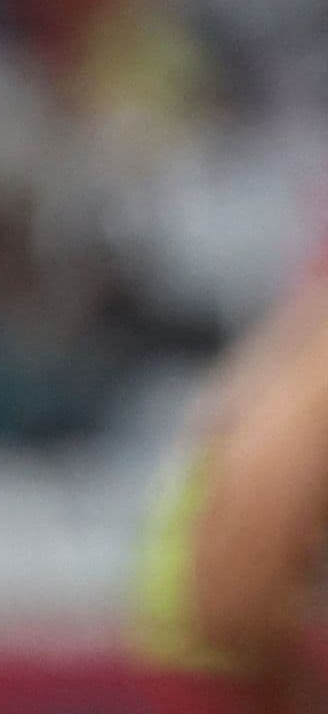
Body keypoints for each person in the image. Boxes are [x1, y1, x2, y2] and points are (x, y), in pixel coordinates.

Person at [138, 265, 328, 709]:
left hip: (197, 642)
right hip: (224, 656)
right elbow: (236, 603)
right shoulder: (300, 383)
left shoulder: (275, 368)